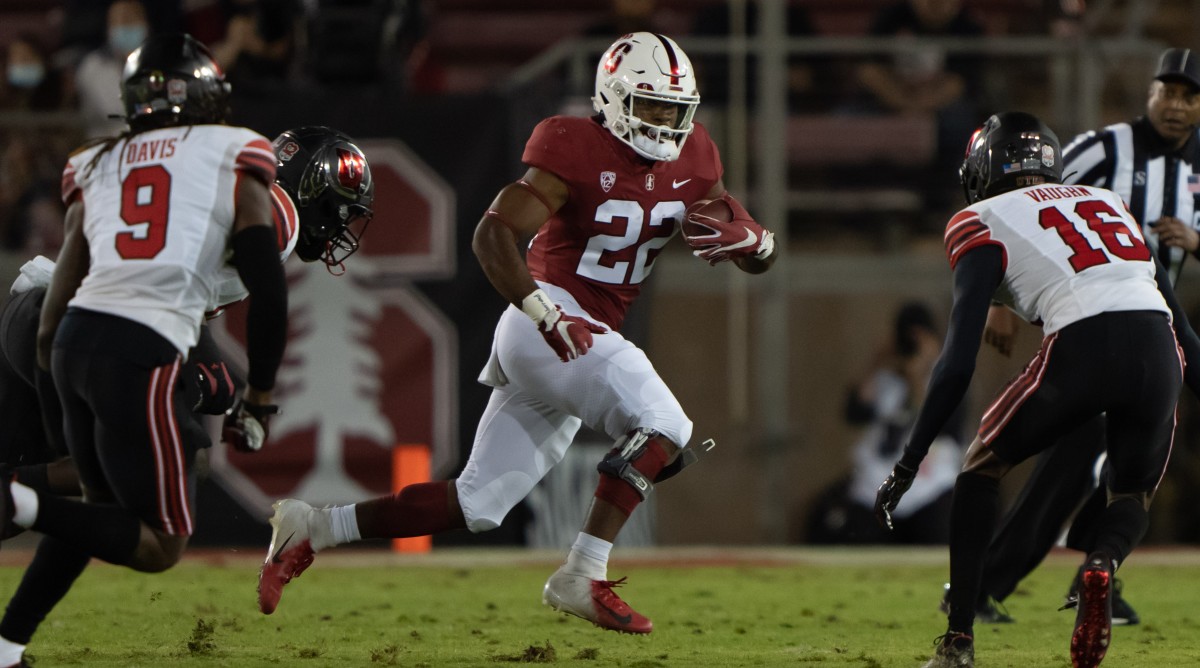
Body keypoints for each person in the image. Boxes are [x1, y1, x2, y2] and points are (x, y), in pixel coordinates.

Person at [255, 31, 777, 634]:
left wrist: (759, 243)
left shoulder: (697, 156)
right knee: (667, 425)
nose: (664, 123)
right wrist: (541, 312)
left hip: (584, 335)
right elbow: (492, 235)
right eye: (651, 106)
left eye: (674, 111)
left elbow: (739, 234)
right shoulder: (573, 144)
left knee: (478, 504)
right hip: (548, 317)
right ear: (612, 98)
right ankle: (582, 572)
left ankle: (314, 527)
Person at [0, 34, 289, 668]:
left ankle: (5, 645)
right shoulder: (236, 150)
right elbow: (268, 292)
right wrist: (261, 397)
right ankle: (16, 499)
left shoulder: (98, 161)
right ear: (206, 94)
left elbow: (57, 302)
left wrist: (57, 397)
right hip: (139, 342)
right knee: (161, 543)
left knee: (97, 511)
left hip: (68, 338)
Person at [873, 111, 1200, 668]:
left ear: (983, 168)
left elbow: (956, 361)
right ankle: (1101, 562)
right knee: (1130, 494)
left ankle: (958, 641)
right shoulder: (1110, 202)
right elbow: (1186, 335)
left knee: (981, 466)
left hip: (1082, 341)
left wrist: (909, 461)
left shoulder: (978, 218)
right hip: (1157, 343)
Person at [966, 47, 1200, 627]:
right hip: (1086, 318)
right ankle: (1005, 581)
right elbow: (1027, 201)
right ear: (1149, 93)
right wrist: (997, 302)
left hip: (1156, 322)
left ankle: (1085, 576)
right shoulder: (1104, 147)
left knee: (1113, 465)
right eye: (1166, 90)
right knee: (1087, 465)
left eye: (1189, 95)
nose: (1175, 104)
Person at [809, 301, 963, 544]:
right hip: (878, 483)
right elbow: (854, 413)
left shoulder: (948, 377)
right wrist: (876, 362)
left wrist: (919, 376)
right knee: (850, 530)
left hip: (929, 485)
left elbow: (941, 424)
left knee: (941, 534)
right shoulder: (884, 377)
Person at [75, 0, 150, 139]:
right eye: (119, 20)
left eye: (131, 19)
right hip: (106, 145)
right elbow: (112, 112)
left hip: (152, 145)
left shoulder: (161, 62)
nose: (126, 25)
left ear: (146, 24)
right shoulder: (92, 67)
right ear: (108, 28)